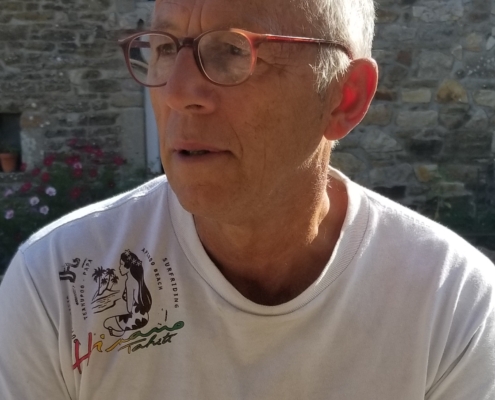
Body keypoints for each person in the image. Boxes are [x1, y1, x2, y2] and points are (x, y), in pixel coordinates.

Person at [0, 0, 494, 398]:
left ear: (344, 97)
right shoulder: (60, 282)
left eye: (232, 51)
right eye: (165, 48)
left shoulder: (452, 303)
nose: (178, 92)